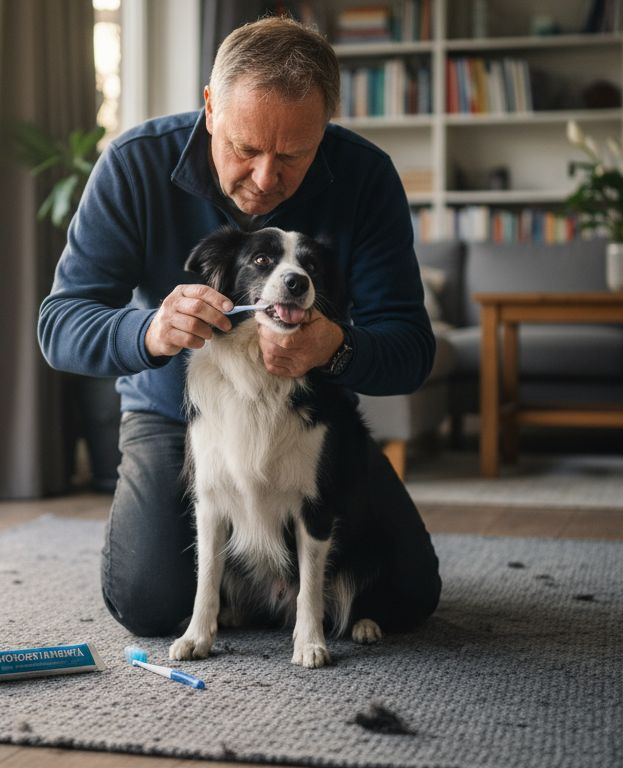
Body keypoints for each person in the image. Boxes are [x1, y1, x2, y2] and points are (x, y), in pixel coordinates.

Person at [38, 16, 441, 637]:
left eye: (293, 155)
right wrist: (149, 332)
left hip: (308, 416)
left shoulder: (366, 177)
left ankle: (277, 588)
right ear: (209, 108)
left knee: (409, 595)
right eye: (245, 149)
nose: (265, 178)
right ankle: (258, 588)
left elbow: (410, 348)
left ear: (326, 128)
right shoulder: (133, 164)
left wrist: (335, 347)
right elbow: (60, 325)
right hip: (177, 415)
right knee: (149, 603)